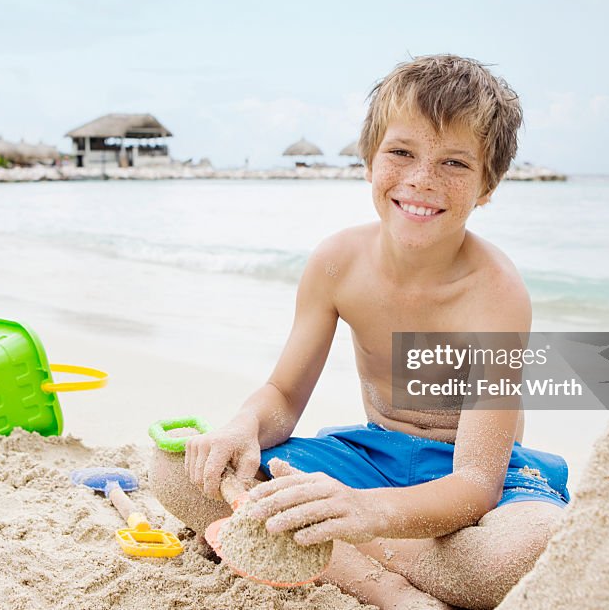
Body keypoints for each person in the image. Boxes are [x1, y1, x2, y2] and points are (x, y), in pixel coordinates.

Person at [150, 55, 569, 609]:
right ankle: (386, 586)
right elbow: (282, 397)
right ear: (368, 161)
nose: (422, 179)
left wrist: (367, 515)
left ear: (488, 186)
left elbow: (475, 482)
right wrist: (242, 427)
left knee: (528, 548)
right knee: (177, 465)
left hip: (473, 475)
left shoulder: (495, 292)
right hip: (372, 458)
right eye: (401, 152)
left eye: (455, 164)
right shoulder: (338, 262)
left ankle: (333, 548)